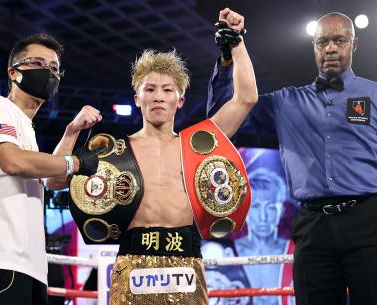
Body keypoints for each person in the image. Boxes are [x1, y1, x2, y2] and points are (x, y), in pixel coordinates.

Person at [207, 11, 377, 305]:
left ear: (354, 44)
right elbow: (221, 120)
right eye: (323, 42)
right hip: (313, 228)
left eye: (340, 41)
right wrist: (226, 60)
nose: (331, 49)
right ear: (314, 47)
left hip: (369, 223)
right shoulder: (286, 102)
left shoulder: (374, 94)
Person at [100, 8, 257, 305]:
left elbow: (246, 98)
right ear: (138, 98)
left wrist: (236, 41)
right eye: (150, 89)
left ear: (179, 99)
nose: (158, 96)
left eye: (167, 89)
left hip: (184, 259)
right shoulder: (117, 149)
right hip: (132, 260)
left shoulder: (197, 143)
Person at [0, 33, 102, 305]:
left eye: (54, 68)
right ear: (13, 72)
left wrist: (71, 132)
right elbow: (13, 161)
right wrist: (74, 162)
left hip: (27, 263)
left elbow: (51, 179)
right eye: (38, 63)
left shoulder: (24, 128)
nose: (48, 72)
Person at [235, 167, 288, 305]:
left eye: (270, 207)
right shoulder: (230, 252)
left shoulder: (293, 251)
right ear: (245, 210)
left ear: (281, 211)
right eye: (256, 207)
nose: (263, 217)